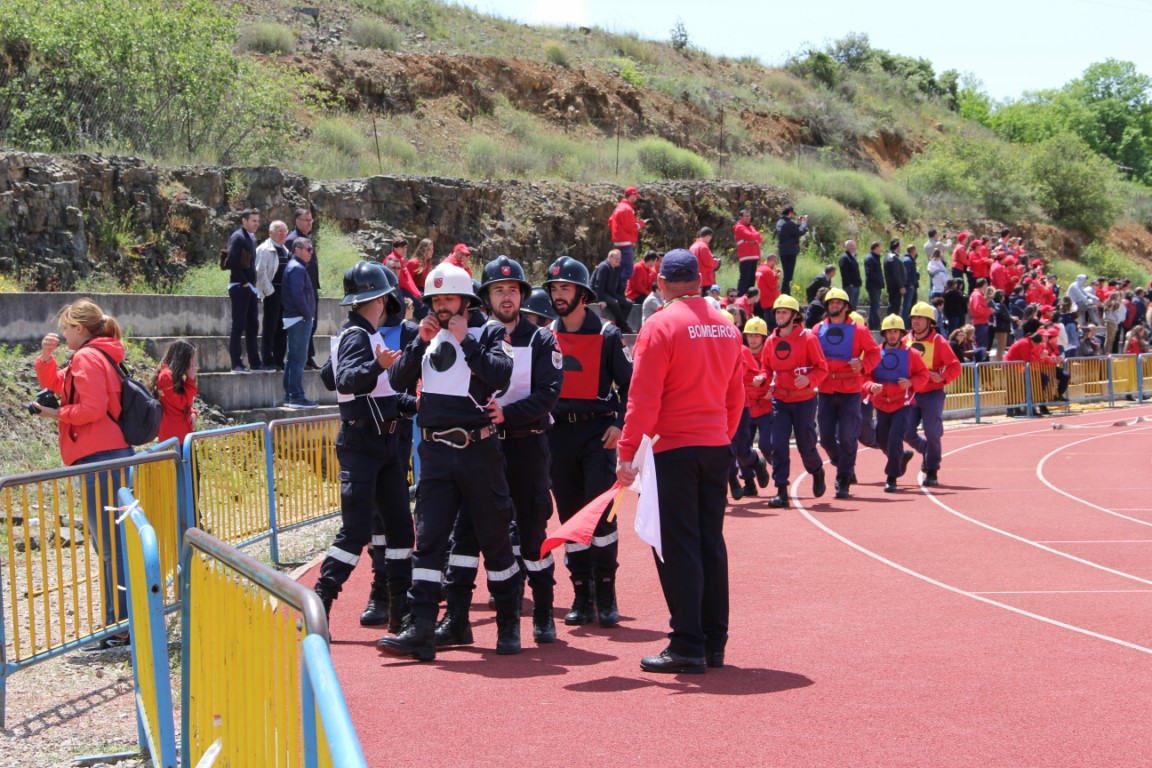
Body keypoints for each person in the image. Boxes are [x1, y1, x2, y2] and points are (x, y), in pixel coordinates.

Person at [377, 262, 515, 661]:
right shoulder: (426, 334)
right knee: (430, 541)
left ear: (466, 301)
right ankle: (420, 627)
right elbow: (399, 380)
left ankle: (508, 622)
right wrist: (419, 343)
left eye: (448, 299)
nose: (441, 307)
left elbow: (500, 376)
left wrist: (465, 342)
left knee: (494, 539)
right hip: (435, 454)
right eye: (435, 300)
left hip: (478, 452)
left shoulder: (489, 332)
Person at [615, 248, 744, 674]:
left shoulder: (659, 325)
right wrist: (721, 435)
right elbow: (735, 395)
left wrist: (627, 453)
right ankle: (713, 640)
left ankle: (687, 641)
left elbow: (643, 398)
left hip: (675, 448)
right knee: (711, 542)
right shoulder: (727, 326)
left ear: (662, 283)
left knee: (677, 544)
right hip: (714, 445)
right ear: (700, 280)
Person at [313, 262, 413, 635]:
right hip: (363, 443)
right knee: (356, 531)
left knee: (401, 528)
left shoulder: (357, 334)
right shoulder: (358, 335)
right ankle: (319, 601)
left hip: (383, 440)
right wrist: (378, 364)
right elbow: (346, 381)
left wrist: (408, 403)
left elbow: (329, 377)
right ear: (384, 298)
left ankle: (399, 609)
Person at [35, 299, 132, 649]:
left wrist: (53, 415)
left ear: (79, 328)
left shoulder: (88, 356)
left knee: (111, 546)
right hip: (109, 454)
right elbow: (63, 384)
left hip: (100, 456)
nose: (62, 334)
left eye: (65, 328)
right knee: (113, 544)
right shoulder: (96, 353)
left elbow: (89, 408)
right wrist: (46, 360)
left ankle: (119, 628)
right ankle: (121, 624)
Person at [476, 256, 564, 643]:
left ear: (523, 295)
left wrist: (503, 414)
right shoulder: (475, 338)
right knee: (494, 536)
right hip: (486, 451)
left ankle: (543, 611)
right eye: (499, 290)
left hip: (528, 447)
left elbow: (547, 396)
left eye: (513, 290)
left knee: (533, 534)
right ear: (487, 298)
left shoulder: (542, 338)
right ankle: (508, 619)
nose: (506, 297)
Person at [545, 255, 632, 628]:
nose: (558, 295)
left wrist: (619, 423)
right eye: (554, 289)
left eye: (565, 288)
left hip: (598, 436)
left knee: (599, 517)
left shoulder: (608, 335)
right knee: (569, 518)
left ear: (582, 294)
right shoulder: (545, 335)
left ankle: (606, 592)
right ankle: (582, 593)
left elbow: (632, 386)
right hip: (557, 436)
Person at [762, 294, 829, 508]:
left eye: (784, 312)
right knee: (777, 444)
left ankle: (817, 470)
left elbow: (822, 368)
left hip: (804, 401)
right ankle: (781, 489)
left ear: (794, 316)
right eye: (778, 312)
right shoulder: (771, 341)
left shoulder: (808, 338)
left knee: (806, 445)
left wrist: (809, 379)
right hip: (780, 400)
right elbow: (766, 368)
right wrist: (762, 378)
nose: (780, 316)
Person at [814, 288, 880, 499]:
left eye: (837, 303)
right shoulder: (817, 330)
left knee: (847, 436)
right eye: (830, 303)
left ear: (845, 306)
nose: (833, 306)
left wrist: (861, 365)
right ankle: (845, 462)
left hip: (851, 391)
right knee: (825, 438)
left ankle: (843, 478)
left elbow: (874, 353)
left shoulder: (859, 330)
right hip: (825, 390)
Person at [865, 315, 929, 493]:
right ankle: (902, 456)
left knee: (895, 439)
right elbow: (865, 376)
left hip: (903, 403)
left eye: (896, 332)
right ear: (884, 333)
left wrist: (910, 383)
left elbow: (923, 375)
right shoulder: (875, 353)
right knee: (881, 439)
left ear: (901, 333)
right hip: (881, 404)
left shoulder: (912, 354)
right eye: (889, 332)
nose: (892, 335)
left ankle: (892, 477)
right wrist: (871, 386)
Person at [903, 302, 962, 487]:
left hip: (932, 393)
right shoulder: (905, 340)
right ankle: (927, 451)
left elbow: (955, 366)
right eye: (914, 318)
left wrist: (942, 377)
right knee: (906, 432)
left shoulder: (939, 341)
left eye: (920, 318)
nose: (916, 321)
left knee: (932, 431)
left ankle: (932, 468)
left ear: (930, 322)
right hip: (911, 393)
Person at [282, 237, 319, 409]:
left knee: (293, 358)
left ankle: (290, 395)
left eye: (312, 249)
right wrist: (308, 314)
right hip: (299, 318)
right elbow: (297, 295)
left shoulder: (295, 266)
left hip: (295, 317)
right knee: (298, 359)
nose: (311, 252)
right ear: (297, 249)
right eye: (308, 249)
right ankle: (296, 396)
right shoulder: (297, 268)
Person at [226, 209, 264, 373]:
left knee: (252, 326)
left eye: (257, 220)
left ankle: (255, 362)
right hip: (240, 287)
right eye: (253, 220)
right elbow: (232, 261)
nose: (256, 223)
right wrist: (244, 283)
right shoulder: (238, 237)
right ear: (244, 220)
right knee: (238, 326)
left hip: (250, 288)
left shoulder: (252, 238)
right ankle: (236, 363)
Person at [285, 208, 321, 370]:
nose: (309, 223)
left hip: (311, 288)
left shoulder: (307, 239)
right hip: (302, 289)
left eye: (311, 220)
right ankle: (304, 358)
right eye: (306, 220)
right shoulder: (293, 240)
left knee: (312, 325)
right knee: (306, 324)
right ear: (296, 221)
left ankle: (308, 356)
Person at [255, 220, 290, 370]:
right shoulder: (264, 249)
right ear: (271, 233)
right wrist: (270, 292)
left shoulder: (285, 249)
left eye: (285, 230)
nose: (283, 234)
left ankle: (279, 360)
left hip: (285, 294)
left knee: (283, 328)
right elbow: (260, 273)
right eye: (279, 231)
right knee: (270, 327)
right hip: (272, 293)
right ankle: (267, 360)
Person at [151, 339, 198, 444]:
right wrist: (190, 380)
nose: (193, 364)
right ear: (182, 359)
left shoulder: (174, 376)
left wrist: (192, 412)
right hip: (174, 436)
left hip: (182, 435)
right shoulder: (166, 376)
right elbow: (181, 404)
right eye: (191, 360)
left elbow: (186, 405)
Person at [590, 249, 634, 333]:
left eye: (619, 259)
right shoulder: (603, 267)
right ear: (610, 257)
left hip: (611, 293)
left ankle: (619, 326)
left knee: (628, 303)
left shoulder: (617, 268)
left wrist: (623, 297)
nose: (618, 261)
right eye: (616, 259)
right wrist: (600, 300)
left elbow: (619, 286)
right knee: (615, 302)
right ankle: (624, 326)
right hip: (600, 293)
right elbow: (598, 286)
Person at [608, 186, 646, 281]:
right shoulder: (627, 209)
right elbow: (631, 227)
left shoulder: (619, 207)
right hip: (625, 244)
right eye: (636, 196)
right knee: (628, 271)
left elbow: (610, 222)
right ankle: (618, 291)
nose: (637, 198)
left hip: (618, 243)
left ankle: (615, 290)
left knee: (619, 269)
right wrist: (640, 224)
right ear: (632, 195)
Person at [774, 206, 809, 296]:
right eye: (793, 213)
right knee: (788, 276)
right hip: (790, 252)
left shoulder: (780, 222)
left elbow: (791, 232)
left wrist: (797, 223)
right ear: (790, 212)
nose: (793, 215)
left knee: (786, 274)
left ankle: (785, 293)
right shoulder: (788, 223)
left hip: (783, 251)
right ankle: (785, 294)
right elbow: (800, 232)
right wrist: (804, 223)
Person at [734, 210, 764, 296]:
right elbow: (751, 236)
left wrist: (753, 239)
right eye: (746, 216)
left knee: (751, 281)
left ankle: (749, 300)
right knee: (744, 281)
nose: (748, 218)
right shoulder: (739, 227)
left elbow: (760, 238)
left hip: (753, 257)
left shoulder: (750, 227)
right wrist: (753, 238)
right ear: (740, 217)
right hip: (745, 257)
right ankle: (740, 299)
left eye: (749, 216)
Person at [690, 229, 719, 296]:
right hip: (706, 280)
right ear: (708, 235)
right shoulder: (703, 246)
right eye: (711, 236)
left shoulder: (693, 246)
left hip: (696, 279)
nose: (711, 238)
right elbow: (709, 262)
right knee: (707, 300)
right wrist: (716, 262)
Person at [864, 241, 884, 331]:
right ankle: (874, 324)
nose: (881, 249)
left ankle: (873, 323)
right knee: (875, 305)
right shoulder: (870, 258)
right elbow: (869, 273)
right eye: (880, 247)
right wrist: (878, 280)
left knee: (875, 305)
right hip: (873, 286)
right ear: (876, 248)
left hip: (877, 286)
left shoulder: (875, 257)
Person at [883, 238, 906, 319]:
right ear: (897, 247)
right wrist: (901, 286)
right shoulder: (892, 258)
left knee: (895, 306)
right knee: (894, 306)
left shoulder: (892, 257)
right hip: (895, 287)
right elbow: (896, 273)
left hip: (895, 286)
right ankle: (891, 322)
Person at [755, 253, 781, 322]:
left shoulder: (759, 269)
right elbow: (772, 285)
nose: (775, 264)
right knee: (772, 323)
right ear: (772, 260)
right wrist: (777, 276)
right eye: (775, 262)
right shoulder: (767, 271)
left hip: (763, 300)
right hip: (771, 301)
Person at [839, 240, 862, 309]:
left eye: (853, 245)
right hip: (850, 287)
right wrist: (850, 284)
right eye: (850, 245)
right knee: (849, 306)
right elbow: (844, 272)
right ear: (846, 247)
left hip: (856, 285)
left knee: (854, 307)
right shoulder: (844, 258)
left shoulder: (853, 257)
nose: (852, 247)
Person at [901, 245, 920, 323]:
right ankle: (904, 323)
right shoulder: (908, 261)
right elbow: (906, 274)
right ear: (913, 251)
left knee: (911, 305)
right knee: (907, 306)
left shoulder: (910, 260)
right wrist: (909, 284)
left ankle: (908, 322)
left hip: (912, 286)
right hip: (909, 287)